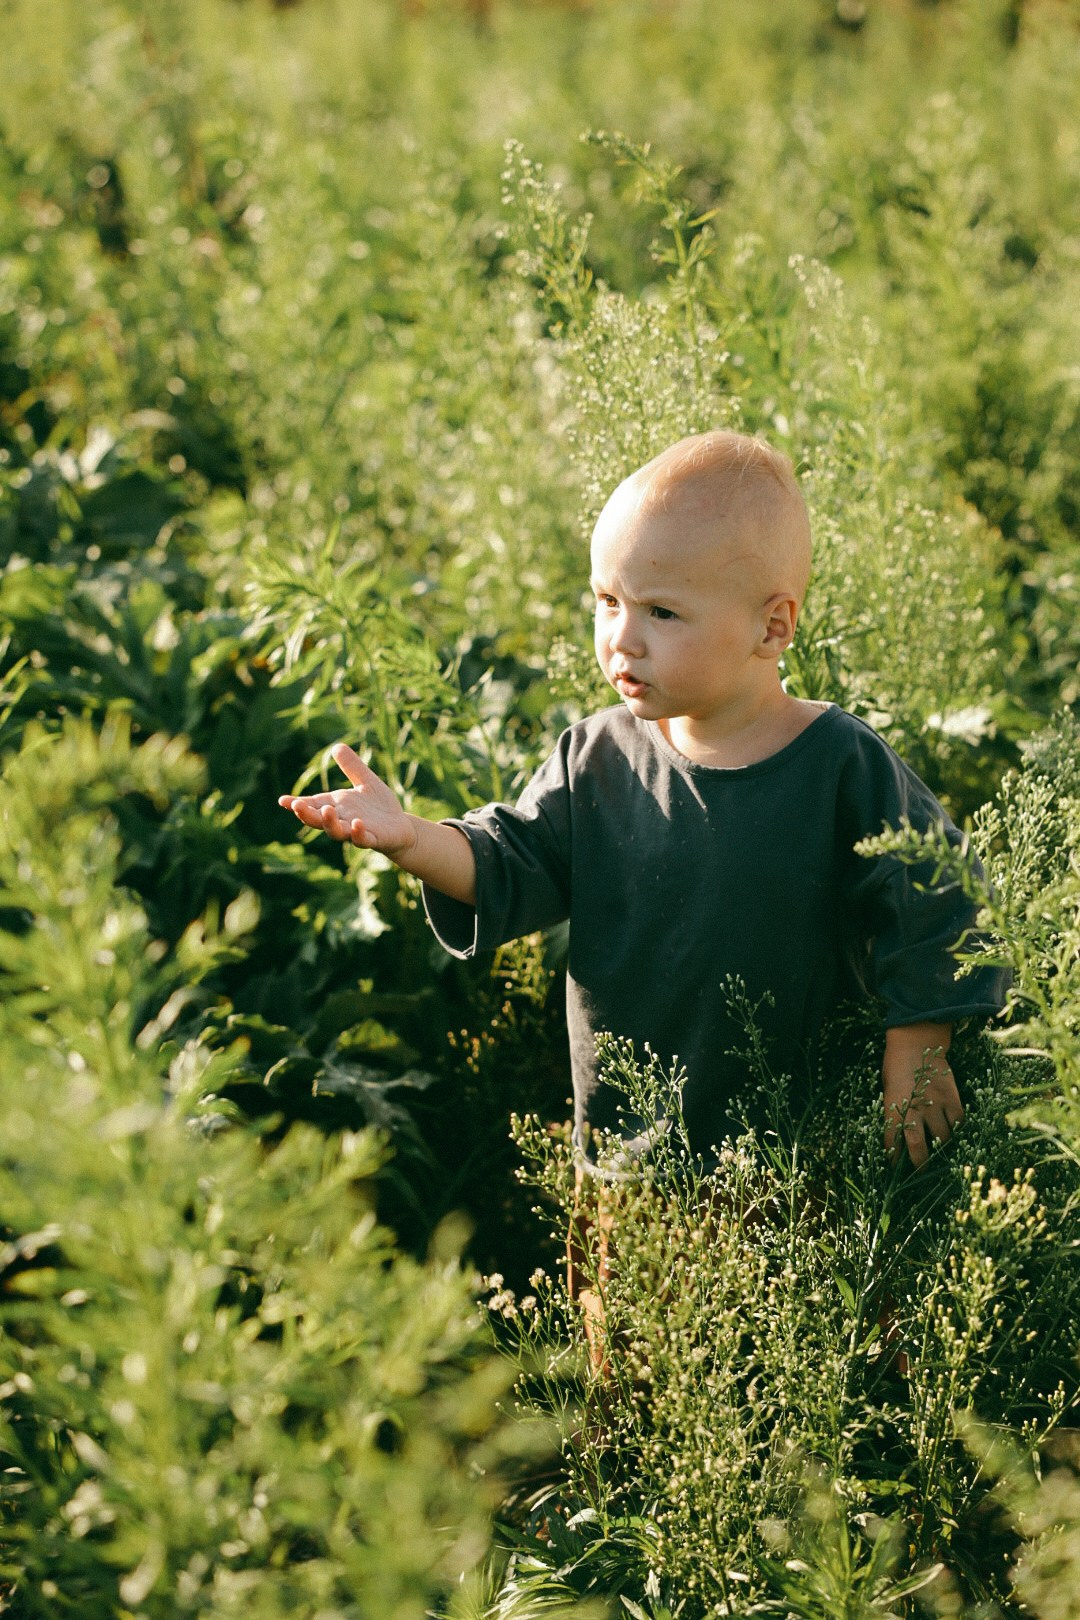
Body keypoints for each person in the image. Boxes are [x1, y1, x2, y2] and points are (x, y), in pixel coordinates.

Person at [278, 430, 1008, 1174]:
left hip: (797, 1165)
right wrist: (411, 838)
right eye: (608, 601)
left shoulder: (838, 764)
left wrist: (918, 1051)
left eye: (661, 612)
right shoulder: (596, 757)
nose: (622, 638)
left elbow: (938, 895)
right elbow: (510, 861)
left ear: (772, 626)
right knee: (628, 1255)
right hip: (626, 1156)